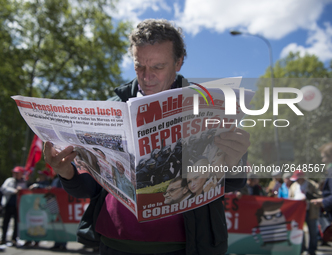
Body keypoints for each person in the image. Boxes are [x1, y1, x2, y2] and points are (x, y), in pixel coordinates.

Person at [43, 19, 250, 255]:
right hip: (114, 244)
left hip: (183, 247)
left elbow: (233, 182)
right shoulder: (111, 108)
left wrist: (236, 158)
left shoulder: (207, 106)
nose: (147, 76)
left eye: (158, 67)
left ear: (178, 62)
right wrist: (66, 172)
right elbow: (89, 189)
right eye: (139, 66)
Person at [289, 170, 321, 255]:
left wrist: (308, 198)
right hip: (298, 212)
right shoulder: (294, 186)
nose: (297, 181)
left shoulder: (311, 184)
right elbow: (290, 198)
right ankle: (301, 248)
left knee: (312, 231)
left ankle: (312, 249)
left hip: (310, 211)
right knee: (299, 231)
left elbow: (318, 197)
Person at [0, 166, 27, 246]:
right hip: (8, 205)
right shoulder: (9, 180)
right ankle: (3, 238)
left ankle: (14, 239)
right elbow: (3, 189)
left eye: (18, 173)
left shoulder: (24, 182)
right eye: (15, 173)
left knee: (16, 224)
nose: (16, 174)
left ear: (21, 174)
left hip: (18, 206)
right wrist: (14, 191)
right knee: (5, 223)